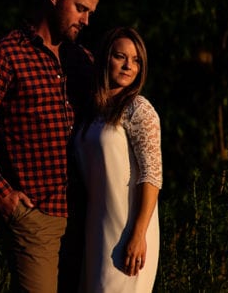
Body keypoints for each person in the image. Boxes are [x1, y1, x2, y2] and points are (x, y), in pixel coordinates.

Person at [0, 0, 100, 293]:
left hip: (87, 215)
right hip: (37, 216)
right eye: (80, 8)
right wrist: (2, 193)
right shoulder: (6, 54)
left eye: (90, 13)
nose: (86, 21)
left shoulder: (83, 61)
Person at [74, 26, 162, 292]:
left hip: (128, 232)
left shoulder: (139, 108)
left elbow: (152, 175)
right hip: (95, 230)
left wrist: (138, 235)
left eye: (136, 60)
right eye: (120, 57)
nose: (128, 66)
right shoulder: (91, 111)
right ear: (105, 59)